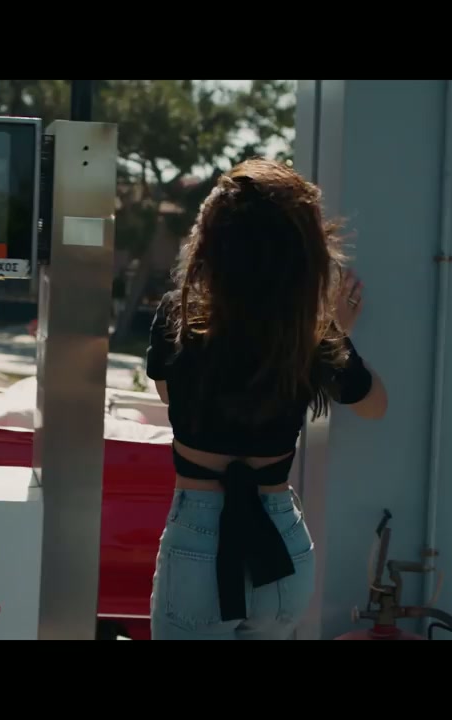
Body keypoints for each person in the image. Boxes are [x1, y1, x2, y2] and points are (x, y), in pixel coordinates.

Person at [145, 158, 388, 640]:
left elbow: (168, 393)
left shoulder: (179, 316)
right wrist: (335, 335)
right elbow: (374, 405)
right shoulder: (307, 339)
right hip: (281, 546)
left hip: (198, 540)